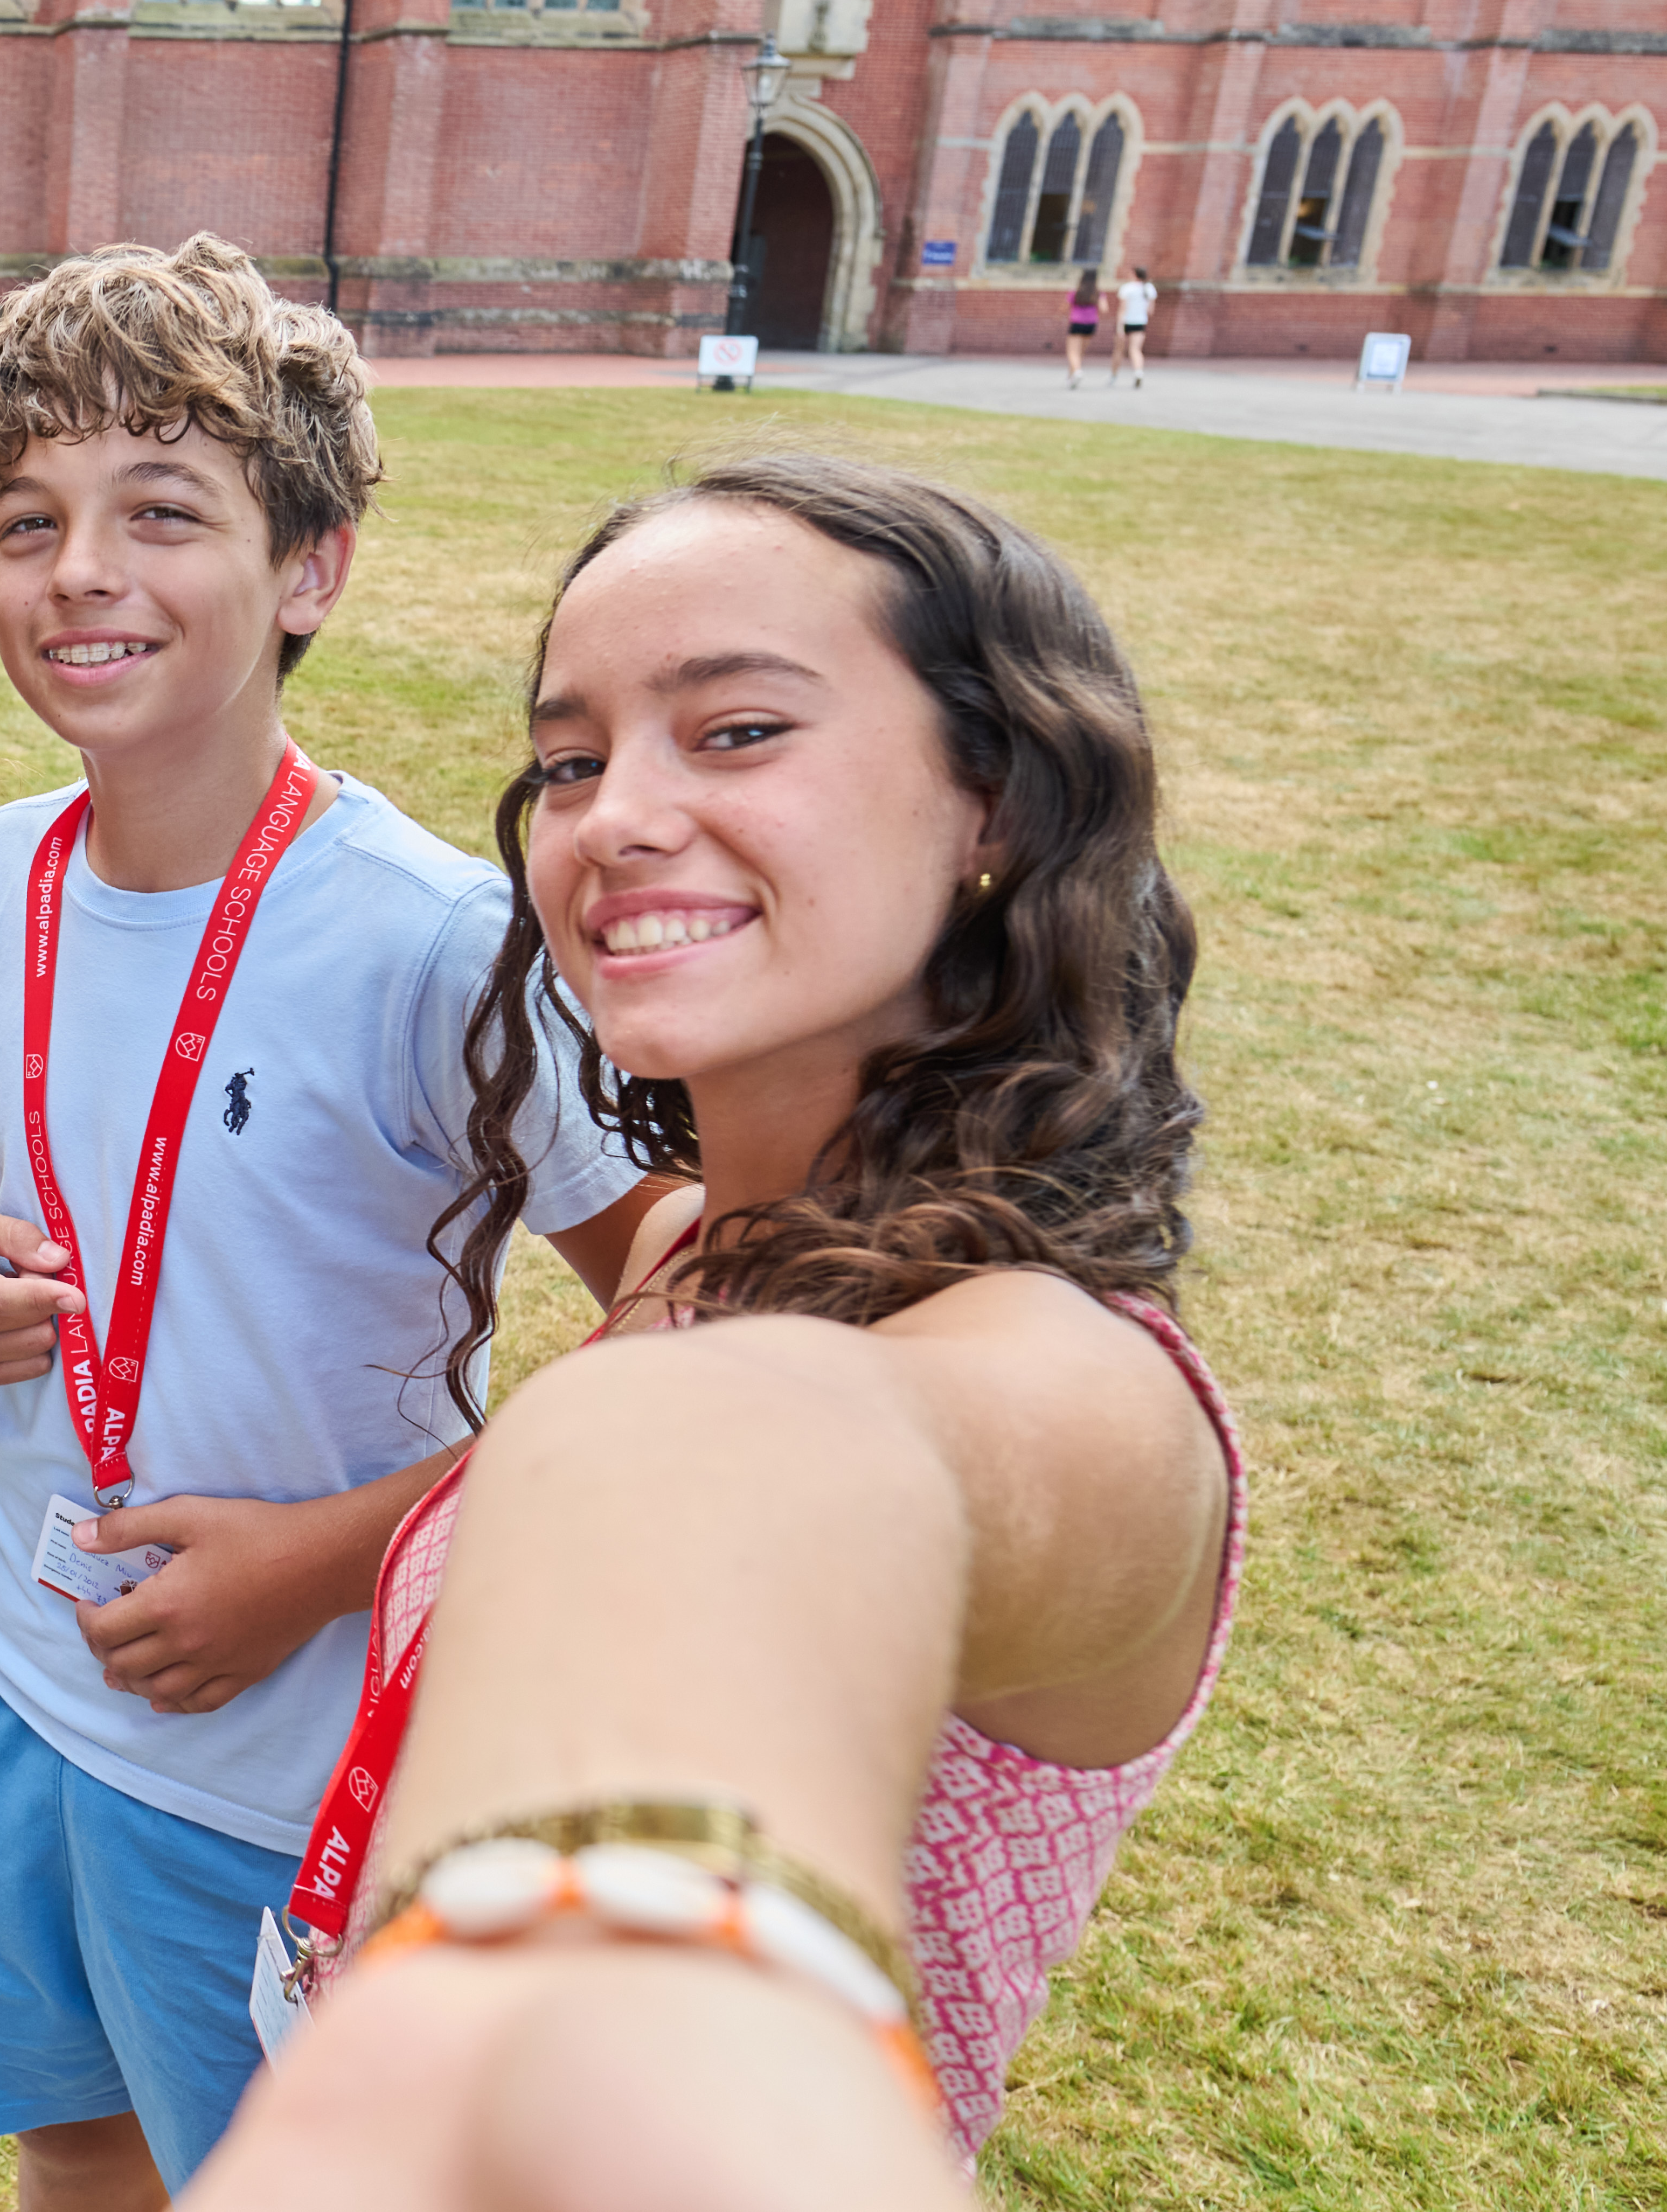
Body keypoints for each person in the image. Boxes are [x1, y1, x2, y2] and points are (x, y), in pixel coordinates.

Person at [189, 452, 1239, 2208]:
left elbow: (743, 1462)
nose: (611, 818)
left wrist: (593, 1980)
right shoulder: (689, 1234)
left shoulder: (1078, 1388)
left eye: (735, 729)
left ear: (992, 798)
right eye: (571, 756)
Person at [0, 236, 664, 2209]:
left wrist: (318, 1561)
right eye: (27, 519)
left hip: (272, 1748)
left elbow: (692, 1325)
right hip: (3, 1656)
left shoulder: (435, 942)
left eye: (163, 510)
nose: (79, 572)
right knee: (74, 2136)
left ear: (308, 567)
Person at [1111, 264, 1155, 386]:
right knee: (1135, 350)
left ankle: (1113, 376)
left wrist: (1120, 327)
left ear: (1134, 275)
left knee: (1119, 351)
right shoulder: (1149, 288)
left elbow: (1122, 309)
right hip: (1140, 322)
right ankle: (1138, 372)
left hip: (1126, 322)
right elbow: (1151, 311)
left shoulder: (1127, 288)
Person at [1062, 272, 1101, 387]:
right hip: (1091, 324)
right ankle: (1071, 377)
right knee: (1081, 351)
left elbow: (1065, 307)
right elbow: (1104, 308)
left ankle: (1077, 371)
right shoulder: (1097, 293)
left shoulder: (1075, 292)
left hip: (1077, 323)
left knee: (1072, 351)